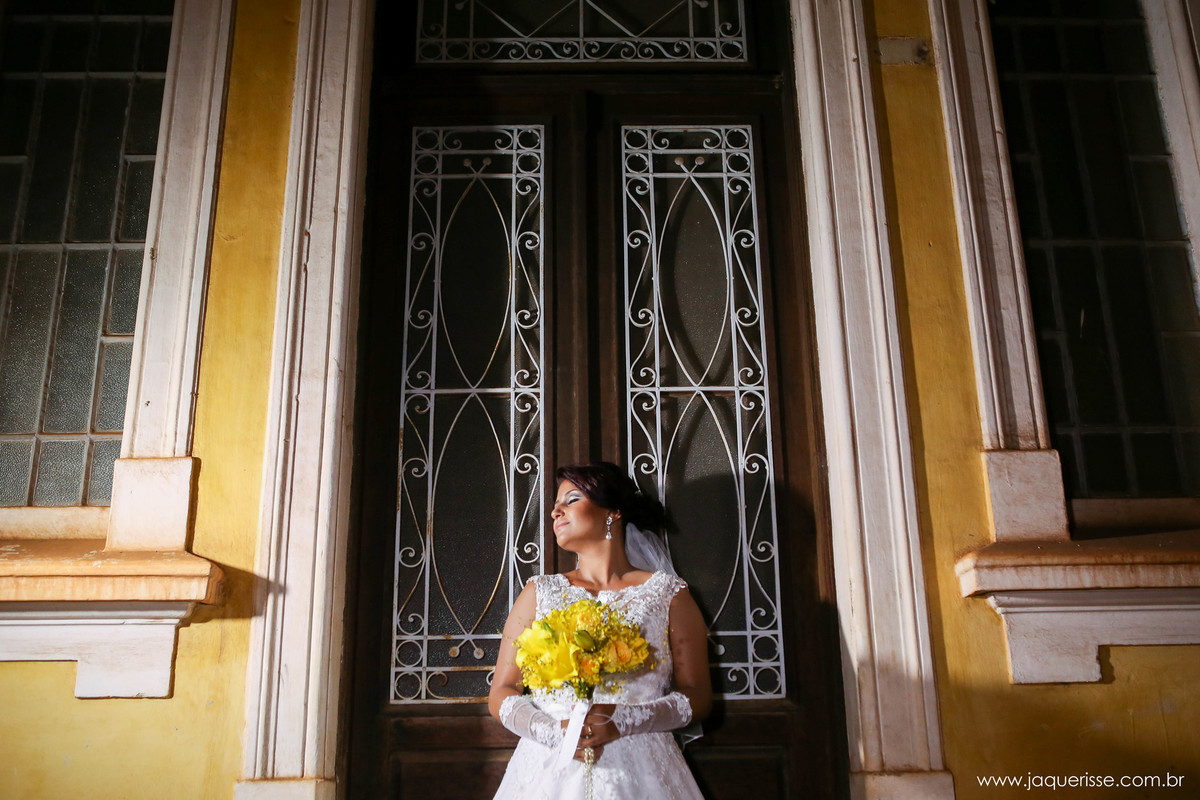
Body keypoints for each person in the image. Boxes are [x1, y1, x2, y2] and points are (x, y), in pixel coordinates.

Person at [488, 462, 712, 800]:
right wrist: (553, 732)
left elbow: (698, 695)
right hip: (549, 769)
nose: (555, 512)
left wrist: (626, 720)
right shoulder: (539, 592)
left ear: (614, 511)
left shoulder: (669, 594)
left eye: (572, 499)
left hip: (642, 768)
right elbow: (502, 691)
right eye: (555, 504)